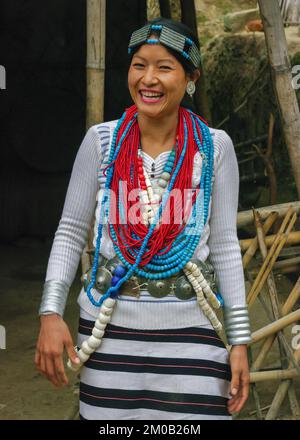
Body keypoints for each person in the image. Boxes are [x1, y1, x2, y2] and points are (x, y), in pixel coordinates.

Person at [35, 18, 251, 420]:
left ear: (190, 78)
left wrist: (239, 341)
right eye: (139, 65)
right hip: (108, 331)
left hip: (193, 332)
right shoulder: (102, 142)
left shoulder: (214, 148)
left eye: (164, 67)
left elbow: (224, 245)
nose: (148, 79)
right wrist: (50, 312)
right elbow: (68, 232)